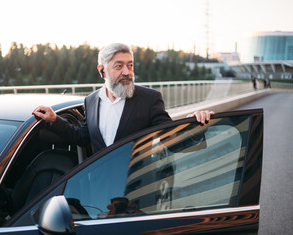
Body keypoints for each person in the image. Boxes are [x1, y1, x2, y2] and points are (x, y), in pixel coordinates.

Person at [33, 43, 213, 153]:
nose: (127, 72)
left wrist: (194, 125)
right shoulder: (91, 101)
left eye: (130, 65)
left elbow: (171, 140)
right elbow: (82, 137)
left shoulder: (149, 99)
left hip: (137, 190)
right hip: (99, 189)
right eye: (119, 66)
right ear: (101, 70)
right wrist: (55, 120)